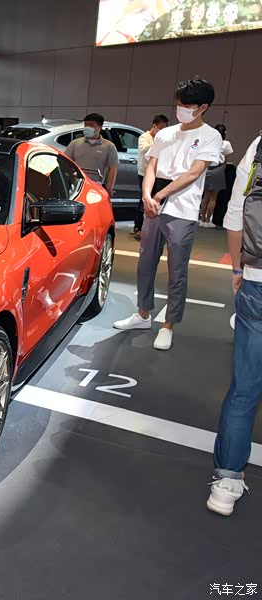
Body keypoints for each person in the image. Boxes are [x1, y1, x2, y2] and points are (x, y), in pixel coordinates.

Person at [113, 79, 222, 351]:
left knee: (177, 269)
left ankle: (168, 325)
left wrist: (159, 195)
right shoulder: (165, 134)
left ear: (203, 107)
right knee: (145, 262)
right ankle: (142, 314)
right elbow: (151, 167)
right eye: (179, 104)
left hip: (182, 210)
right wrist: (147, 196)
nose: (181, 109)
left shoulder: (210, 136)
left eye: (187, 105)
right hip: (154, 205)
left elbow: (194, 173)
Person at [207, 132, 262, 516]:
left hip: (258, 281)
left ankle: (226, 480)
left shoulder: (260, 145)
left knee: (245, 387)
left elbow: (235, 215)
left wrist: (239, 270)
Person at [64, 113, 119, 197]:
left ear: (100, 127)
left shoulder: (109, 146)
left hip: (96, 186)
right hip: (77, 185)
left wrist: (109, 188)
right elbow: (65, 162)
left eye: (91, 125)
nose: (87, 127)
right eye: (86, 124)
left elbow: (113, 168)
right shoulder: (75, 144)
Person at [133, 114, 169, 240]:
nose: (162, 131)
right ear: (154, 126)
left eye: (164, 128)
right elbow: (144, 149)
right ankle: (138, 227)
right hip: (144, 173)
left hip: (156, 173)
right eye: (160, 128)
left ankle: (148, 227)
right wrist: (158, 142)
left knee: (152, 199)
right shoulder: (145, 137)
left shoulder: (162, 139)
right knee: (144, 199)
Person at [200, 123, 233, 228]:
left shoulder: (210, 141)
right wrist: (222, 170)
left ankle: (202, 220)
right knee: (213, 198)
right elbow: (226, 160)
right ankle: (208, 220)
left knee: (205, 196)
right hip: (218, 169)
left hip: (207, 168)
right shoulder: (226, 143)